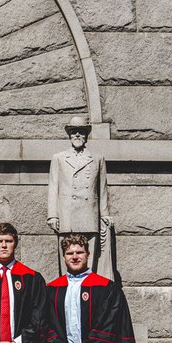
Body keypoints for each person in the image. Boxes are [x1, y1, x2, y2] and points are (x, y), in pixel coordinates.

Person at [47, 114, 113, 279]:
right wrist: (52, 215)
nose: (77, 135)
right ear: (69, 135)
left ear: (86, 135)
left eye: (81, 132)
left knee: (89, 262)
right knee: (68, 260)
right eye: (74, 131)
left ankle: (89, 295)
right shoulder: (59, 158)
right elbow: (53, 187)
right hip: (66, 217)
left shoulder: (97, 159)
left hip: (89, 216)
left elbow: (102, 189)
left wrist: (104, 214)